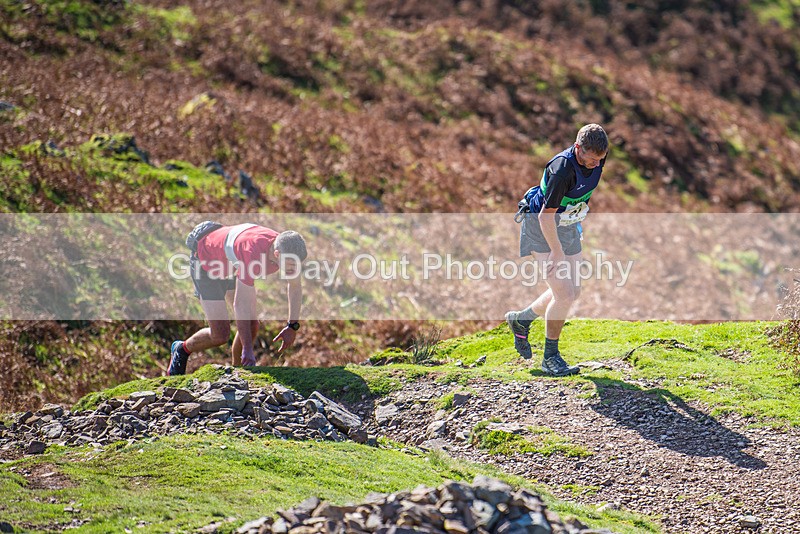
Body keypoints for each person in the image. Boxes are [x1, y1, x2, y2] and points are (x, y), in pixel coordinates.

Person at [507, 124, 609, 376]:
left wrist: (575, 226)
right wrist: (557, 251)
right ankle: (550, 358)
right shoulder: (561, 171)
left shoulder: (596, 159)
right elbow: (545, 216)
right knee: (563, 294)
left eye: (600, 160)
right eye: (591, 160)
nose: (596, 165)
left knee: (572, 291)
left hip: (567, 226)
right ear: (577, 149)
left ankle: (521, 319)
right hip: (541, 227)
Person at [168, 223, 307, 376]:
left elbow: (294, 286)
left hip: (230, 264)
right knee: (220, 335)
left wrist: (292, 326)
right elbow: (240, 305)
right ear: (276, 254)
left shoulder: (287, 248)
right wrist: (247, 349)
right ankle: (181, 349)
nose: (293, 269)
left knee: (252, 326)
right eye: (291, 264)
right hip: (206, 262)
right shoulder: (253, 254)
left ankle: (237, 372)